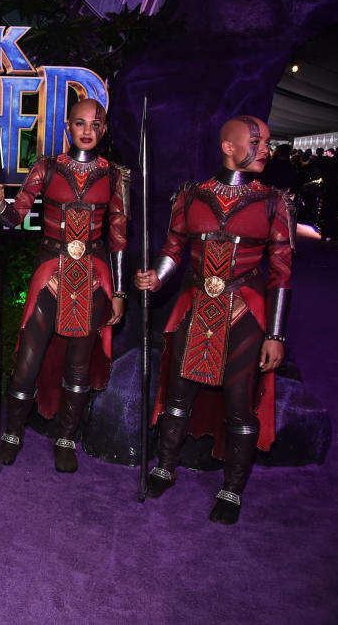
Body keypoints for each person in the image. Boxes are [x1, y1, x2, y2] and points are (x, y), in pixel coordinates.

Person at [134, 115, 294, 525]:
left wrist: (275, 334)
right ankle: (165, 466)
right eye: (256, 141)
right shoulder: (190, 196)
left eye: (267, 142)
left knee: (241, 404)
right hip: (195, 304)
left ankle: (232, 489)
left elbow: (281, 273)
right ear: (228, 145)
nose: (265, 149)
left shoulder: (274, 202)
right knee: (178, 393)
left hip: (245, 313)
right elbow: (173, 250)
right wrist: (157, 275)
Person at [0, 98, 129, 472]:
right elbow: (14, 218)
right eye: (80, 123)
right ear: (68, 126)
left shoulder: (115, 177)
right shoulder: (46, 169)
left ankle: (66, 438)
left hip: (94, 278)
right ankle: (12, 433)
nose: (87, 130)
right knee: (26, 362)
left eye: (95, 124)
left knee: (79, 366)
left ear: (104, 130)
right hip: (50, 273)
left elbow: (118, 238)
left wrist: (119, 293)